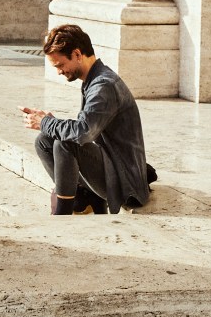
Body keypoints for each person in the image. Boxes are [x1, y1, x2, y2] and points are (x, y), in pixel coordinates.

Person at [21, 24, 155, 215]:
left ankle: (63, 213)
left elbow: (83, 132)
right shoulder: (94, 79)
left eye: (60, 65)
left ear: (77, 54)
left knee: (66, 144)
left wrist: (45, 122)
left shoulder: (103, 85)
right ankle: (85, 199)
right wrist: (49, 124)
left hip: (126, 183)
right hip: (112, 166)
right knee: (44, 140)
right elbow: (87, 128)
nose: (59, 72)